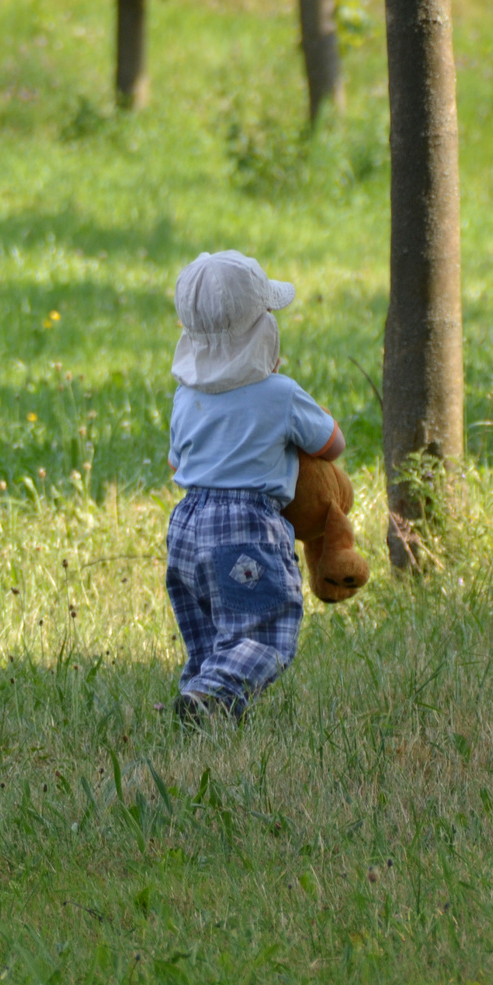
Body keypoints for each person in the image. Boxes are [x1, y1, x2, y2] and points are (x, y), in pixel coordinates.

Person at [164, 250, 345, 725]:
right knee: (266, 629)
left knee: (209, 634)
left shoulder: (186, 397)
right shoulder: (281, 393)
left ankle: (200, 702)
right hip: (244, 525)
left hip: (186, 525)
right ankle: (215, 694)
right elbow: (332, 442)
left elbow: (175, 460)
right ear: (264, 330)